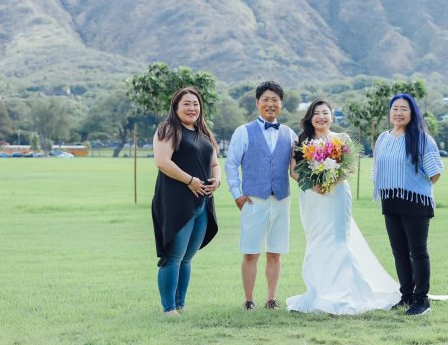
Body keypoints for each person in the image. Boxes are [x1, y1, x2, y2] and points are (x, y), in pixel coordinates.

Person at [286, 99, 400, 314]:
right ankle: (318, 291)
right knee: (316, 240)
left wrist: (330, 183)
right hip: (311, 197)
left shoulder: (342, 138)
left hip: (336, 194)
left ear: (332, 116)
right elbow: (293, 171)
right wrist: (314, 186)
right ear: (310, 117)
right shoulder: (301, 141)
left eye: (325, 113)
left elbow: (350, 167)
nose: (321, 117)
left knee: (338, 240)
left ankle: (342, 293)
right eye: (316, 113)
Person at [225, 81, 297, 310]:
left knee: (275, 252)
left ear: (281, 104)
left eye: (275, 100)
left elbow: (297, 168)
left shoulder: (290, 134)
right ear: (257, 103)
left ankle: (271, 299)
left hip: (281, 200)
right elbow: (231, 163)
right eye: (265, 99)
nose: (270, 104)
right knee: (251, 252)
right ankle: (248, 300)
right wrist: (237, 194)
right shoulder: (243, 132)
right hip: (253, 200)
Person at [151, 87, 221, 317]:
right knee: (173, 257)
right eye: (187, 104)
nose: (192, 108)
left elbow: (214, 164)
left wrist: (217, 181)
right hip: (176, 202)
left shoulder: (204, 133)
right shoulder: (169, 129)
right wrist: (190, 180)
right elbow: (162, 161)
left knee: (187, 258)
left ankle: (180, 305)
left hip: (202, 203)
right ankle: (169, 309)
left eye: (196, 104)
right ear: (176, 107)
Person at [372, 93, 443, 316]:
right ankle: (407, 296)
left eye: (404, 109)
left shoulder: (422, 139)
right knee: (399, 252)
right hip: (390, 200)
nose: (399, 113)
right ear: (390, 112)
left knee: (418, 251)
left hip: (415, 202)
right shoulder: (383, 138)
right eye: (395, 108)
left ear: (412, 113)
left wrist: (414, 184)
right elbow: (377, 169)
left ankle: (422, 300)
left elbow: (435, 173)